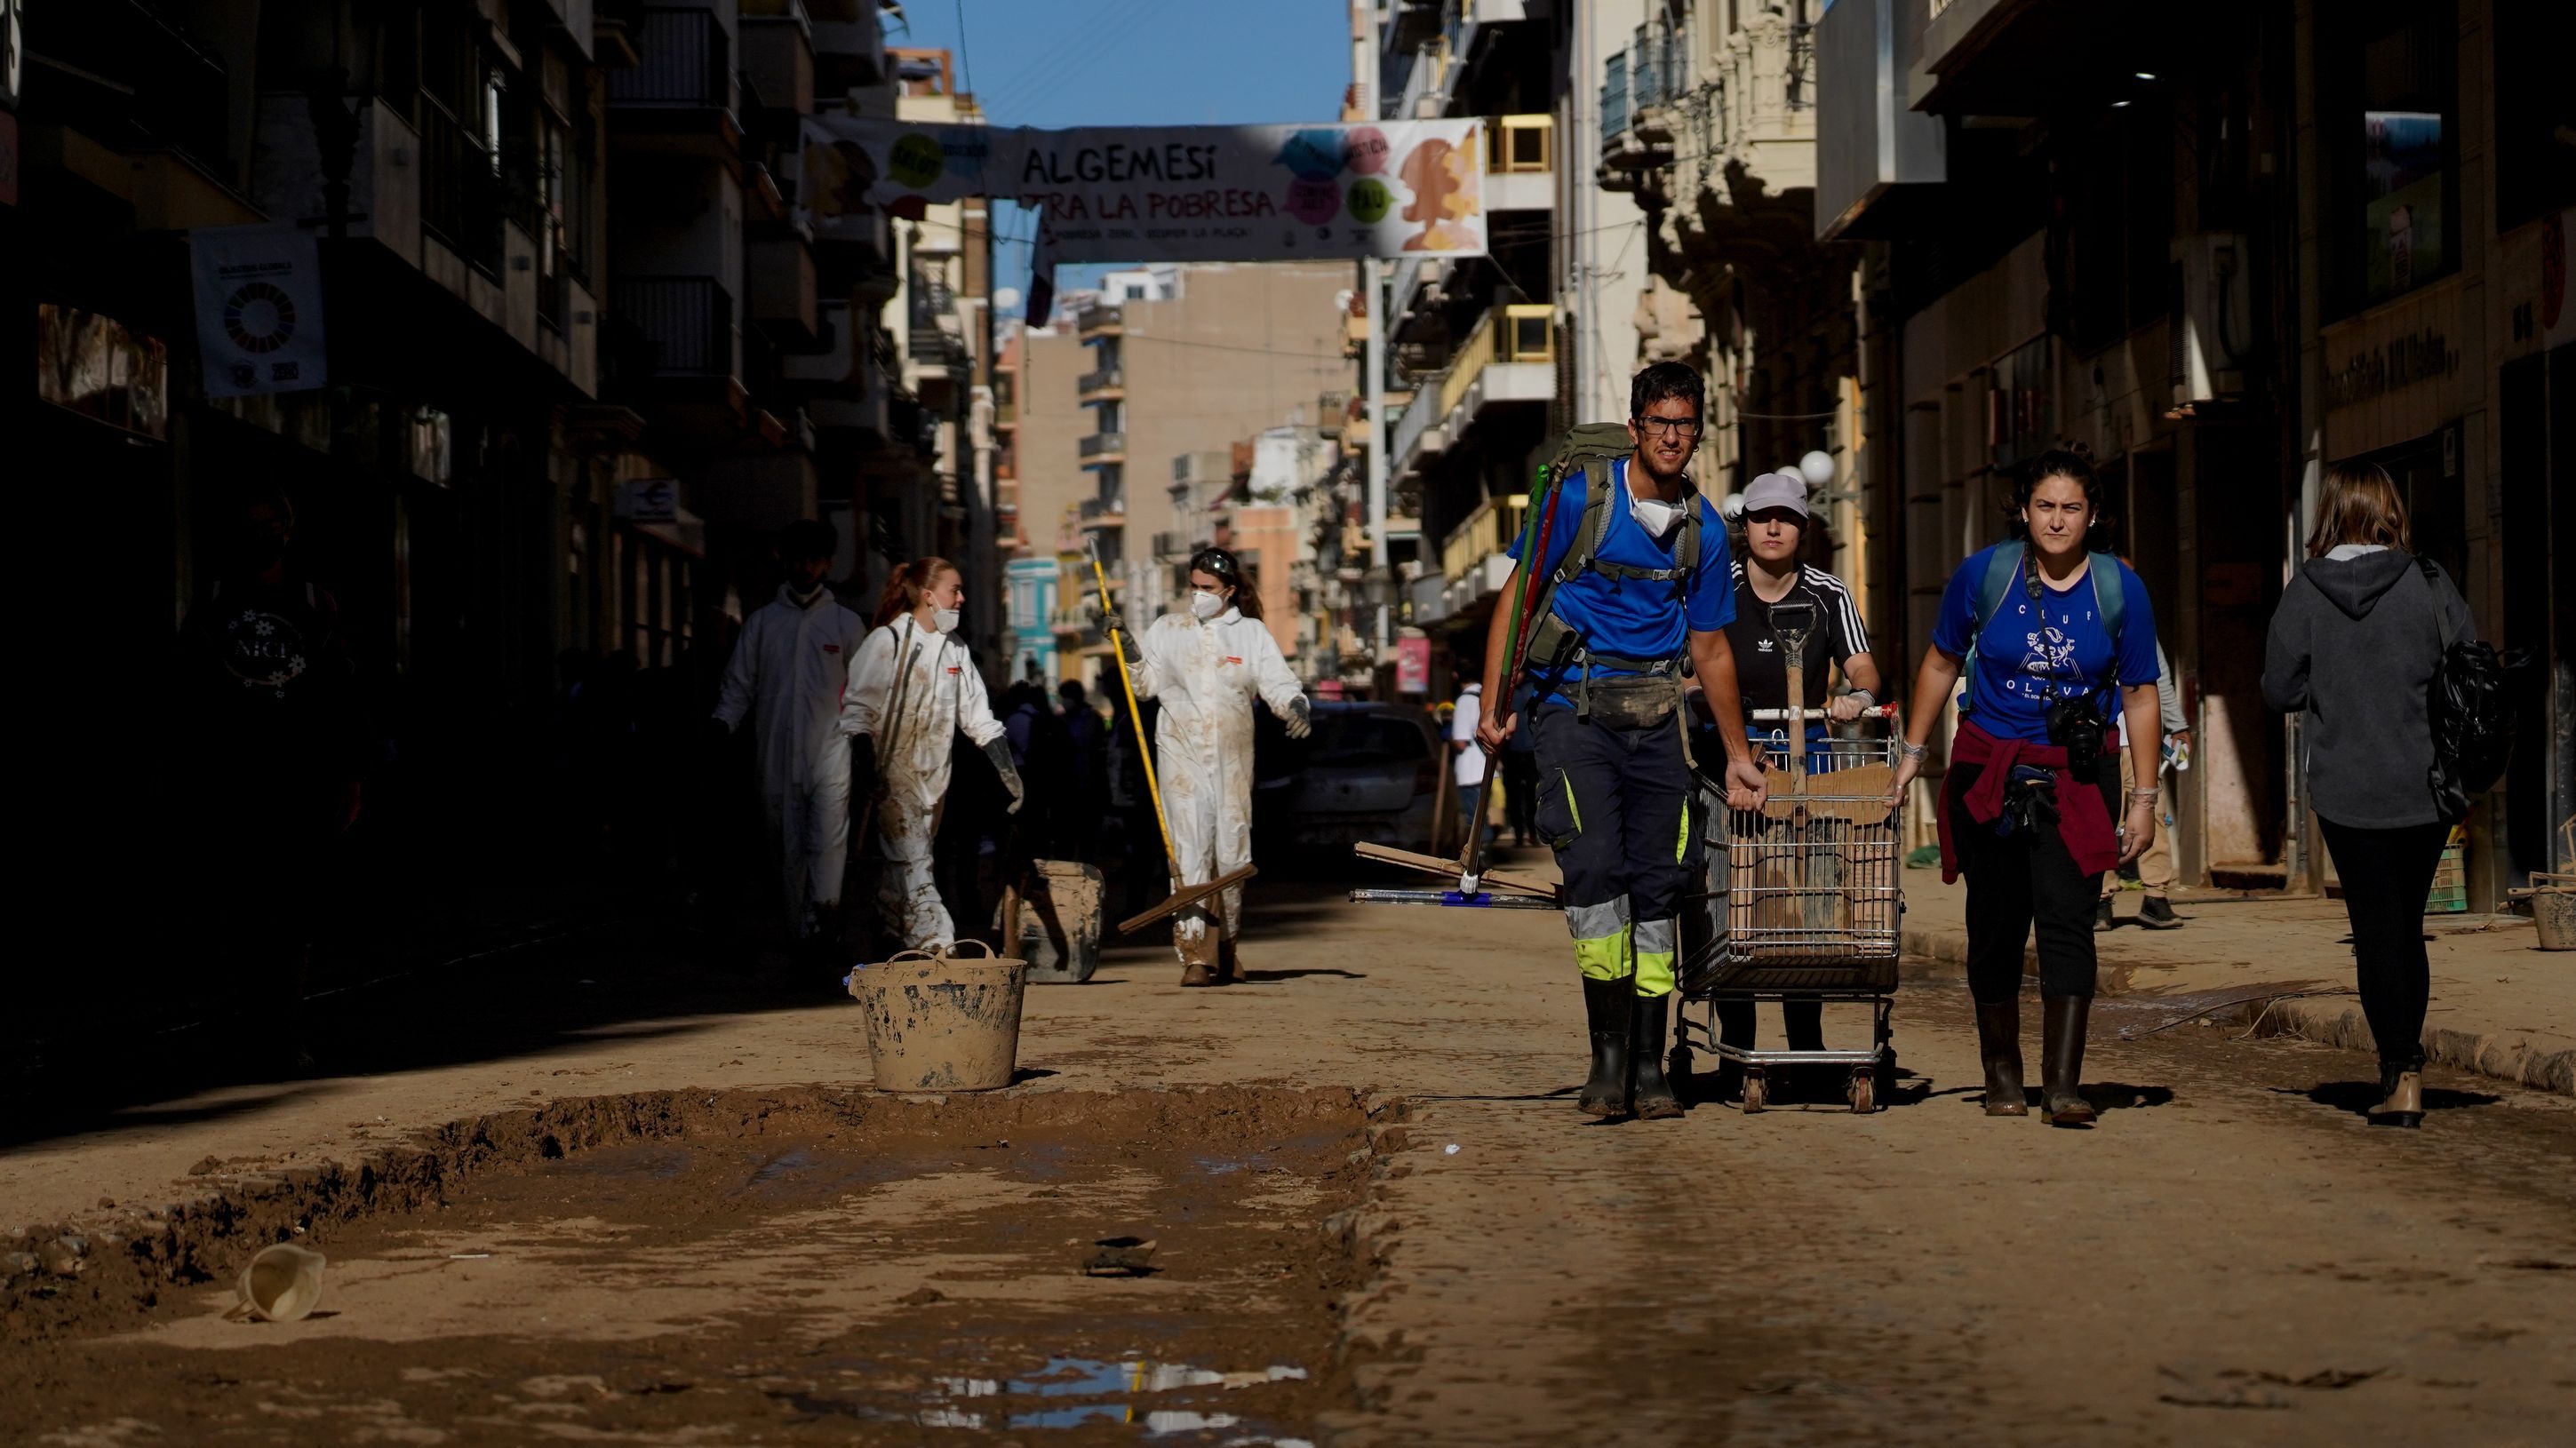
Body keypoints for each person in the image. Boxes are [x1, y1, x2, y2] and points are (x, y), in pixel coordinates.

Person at [1476, 362, 1767, 1121]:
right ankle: (1606, 1060)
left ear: (1696, 430)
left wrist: (1737, 755)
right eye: (1659, 422)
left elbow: (1710, 648)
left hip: (1659, 717)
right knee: (1597, 871)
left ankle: (1648, 1062)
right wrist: (1495, 702)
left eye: (1684, 423)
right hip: (1572, 711)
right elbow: (1517, 599)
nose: (1672, 436)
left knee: (1661, 885)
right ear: (1635, 426)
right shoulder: (1579, 497)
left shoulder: (1702, 530)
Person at [1884, 450, 2161, 1127]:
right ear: (2024, 511)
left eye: (2071, 508)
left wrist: (2145, 799)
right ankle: (2001, 1074)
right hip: (1989, 770)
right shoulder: (1985, 574)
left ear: (2091, 515)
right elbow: (1941, 660)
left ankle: (2062, 1085)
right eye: (2045, 506)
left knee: (2068, 923)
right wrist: (1913, 754)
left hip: (2077, 774)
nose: (2057, 520)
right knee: (1996, 923)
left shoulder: (2118, 587)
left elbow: (2139, 693)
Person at [2261, 463, 2475, 1129]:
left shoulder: (2304, 593)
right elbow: (2468, 665)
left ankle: (2398, 1074)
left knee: (2375, 932)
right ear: (2389, 510)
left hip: (2346, 791)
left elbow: (2279, 689)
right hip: (2425, 785)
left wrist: (2336, 681)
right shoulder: (2428, 584)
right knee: (2406, 930)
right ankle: (2406, 1070)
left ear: (2330, 513)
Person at [177, 487, 366, 1047]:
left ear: (288, 528)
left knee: (292, 910)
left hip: (298, 780)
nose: (263, 534)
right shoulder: (214, 600)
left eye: (271, 524)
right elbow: (184, 690)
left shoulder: (313, 602)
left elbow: (342, 693)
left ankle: (280, 1027)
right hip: (231, 778)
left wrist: (349, 774)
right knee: (238, 908)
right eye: (251, 523)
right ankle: (249, 1022)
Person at [1717, 468, 1885, 1067]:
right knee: (1734, 896)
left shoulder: (1827, 593)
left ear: (1802, 528)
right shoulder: (1719, 587)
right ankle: (1735, 1043)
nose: (1772, 527)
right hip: (1733, 761)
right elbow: (1690, 660)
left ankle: (1805, 1043)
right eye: (1761, 516)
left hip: (1807, 765)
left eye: (1785, 518)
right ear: (1745, 524)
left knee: (1805, 900)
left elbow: (1863, 668)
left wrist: (1854, 696)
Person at [1104, 547, 1313, 986]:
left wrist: (1295, 705)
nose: (1199, 596)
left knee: (1233, 850)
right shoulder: (1168, 628)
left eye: (1208, 589)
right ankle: (1195, 953)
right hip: (1180, 754)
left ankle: (1229, 943)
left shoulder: (1251, 634)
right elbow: (1144, 685)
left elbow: (1277, 681)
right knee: (1190, 846)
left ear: (1229, 591)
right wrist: (1128, 648)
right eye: (1194, 587)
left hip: (1233, 757)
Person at [839, 557, 1023, 952]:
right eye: (953, 590)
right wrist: (865, 762)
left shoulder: (956, 651)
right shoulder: (887, 642)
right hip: (893, 775)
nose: (961, 598)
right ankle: (938, 941)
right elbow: (857, 711)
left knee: (908, 860)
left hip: (934, 777)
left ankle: (887, 924)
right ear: (927, 595)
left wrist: (1009, 772)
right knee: (915, 860)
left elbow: (978, 718)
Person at [712, 520, 866, 957]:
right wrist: (724, 722)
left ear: (827, 564)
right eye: (797, 558)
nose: (804, 567)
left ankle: (825, 928)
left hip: (832, 754)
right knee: (786, 846)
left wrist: (865, 740)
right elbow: (738, 686)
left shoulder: (846, 625)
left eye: (813, 559)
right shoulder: (762, 624)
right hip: (774, 756)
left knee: (829, 843)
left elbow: (866, 692)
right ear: (786, 560)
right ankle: (800, 934)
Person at [2099, 639, 2190, 931]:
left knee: (2154, 815)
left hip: (2142, 741)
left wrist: (2178, 725)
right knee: (2101, 818)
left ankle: (2156, 897)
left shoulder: (2138, 624)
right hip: (2100, 741)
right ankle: (2100, 899)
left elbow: (2159, 675)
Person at [1058, 679, 1108, 860]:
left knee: (1087, 832)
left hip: (1088, 782)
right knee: (1068, 833)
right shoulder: (1062, 720)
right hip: (1069, 783)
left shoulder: (1093, 718)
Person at [1448, 679, 1489, 854]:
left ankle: (1481, 855)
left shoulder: (1464, 701)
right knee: (1483, 814)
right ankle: (1484, 851)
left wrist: (1447, 733)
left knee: (1475, 818)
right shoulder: (1486, 696)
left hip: (1470, 770)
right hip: (1486, 766)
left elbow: (1461, 743)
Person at [1498, 678, 1542, 847]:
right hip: (1511, 752)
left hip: (1531, 751)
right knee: (1513, 796)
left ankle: (1532, 832)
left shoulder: (1534, 687)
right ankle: (1518, 834)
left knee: (1532, 795)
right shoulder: (1507, 689)